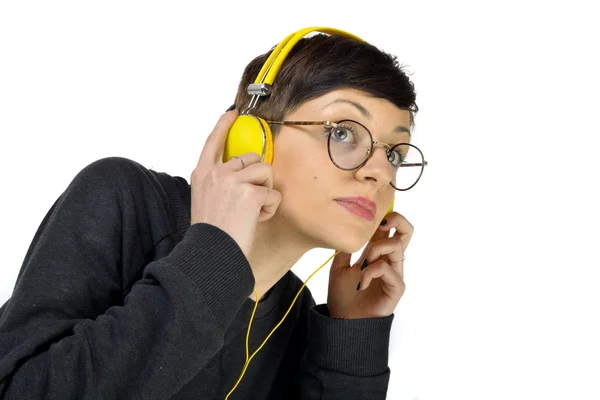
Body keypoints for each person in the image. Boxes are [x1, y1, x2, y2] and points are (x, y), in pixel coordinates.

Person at [0, 28, 422, 399]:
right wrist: (212, 258)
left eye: (395, 154)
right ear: (251, 138)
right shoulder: (126, 201)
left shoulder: (296, 317)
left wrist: (352, 338)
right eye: (344, 132)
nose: (380, 171)